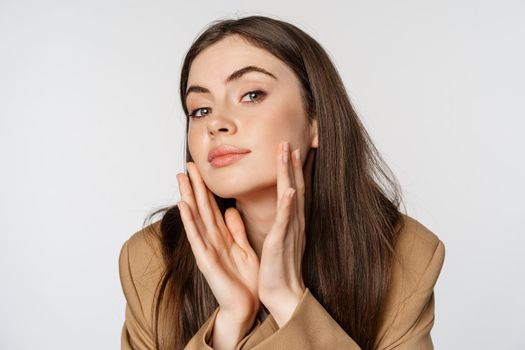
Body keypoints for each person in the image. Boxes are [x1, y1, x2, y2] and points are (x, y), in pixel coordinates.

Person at [118, 15, 445, 350]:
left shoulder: (404, 255)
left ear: (316, 121)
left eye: (251, 94)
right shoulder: (151, 260)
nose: (216, 122)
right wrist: (229, 323)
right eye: (200, 109)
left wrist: (288, 302)